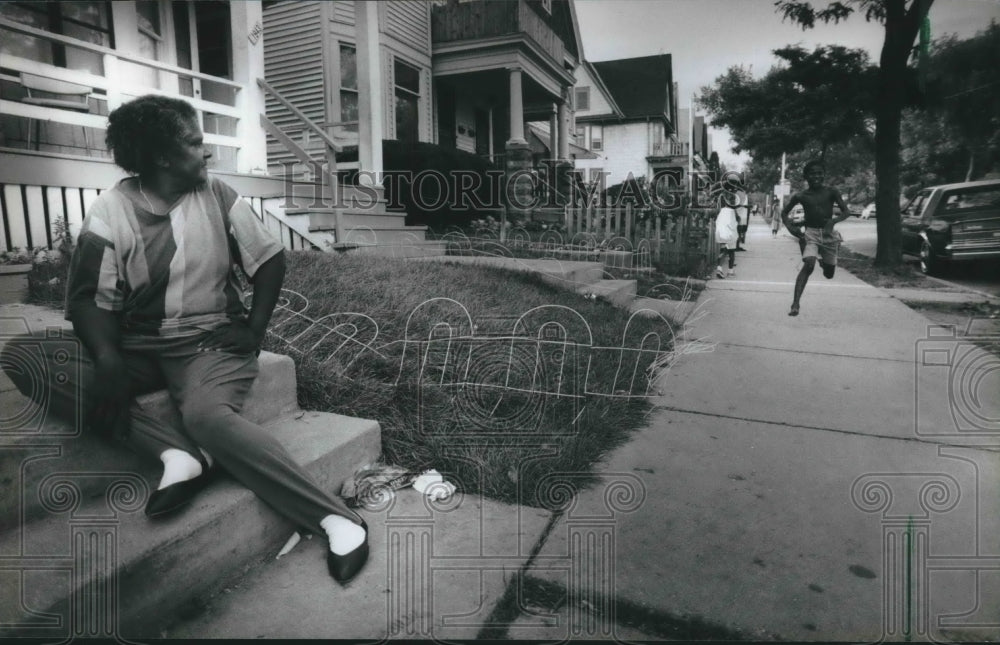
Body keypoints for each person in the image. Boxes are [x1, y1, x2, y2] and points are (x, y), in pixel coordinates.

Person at [0, 95, 368, 584]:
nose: (206, 153)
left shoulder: (217, 195)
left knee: (206, 416)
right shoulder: (112, 209)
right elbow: (87, 298)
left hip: (209, 346)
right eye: (196, 143)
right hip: (137, 346)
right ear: (163, 158)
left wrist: (254, 329)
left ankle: (336, 518)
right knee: (24, 354)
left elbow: (270, 259)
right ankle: (179, 455)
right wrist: (107, 359)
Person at [780, 160, 852, 316]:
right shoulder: (801, 196)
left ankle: (823, 261)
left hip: (829, 235)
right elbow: (784, 213)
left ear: (824, 175)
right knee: (809, 264)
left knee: (829, 274)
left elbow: (846, 212)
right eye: (812, 173)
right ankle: (795, 304)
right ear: (806, 176)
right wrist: (792, 229)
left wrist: (832, 222)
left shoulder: (831, 191)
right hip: (811, 234)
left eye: (820, 173)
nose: (816, 176)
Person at [714, 194, 738, 279]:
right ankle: (729, 271)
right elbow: (735, 221)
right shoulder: (732, 211)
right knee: (731, 251)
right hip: (729, 234)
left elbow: (718, 221)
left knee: (722, 250)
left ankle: (719, 268)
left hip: (721, 233)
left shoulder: (722, 210)